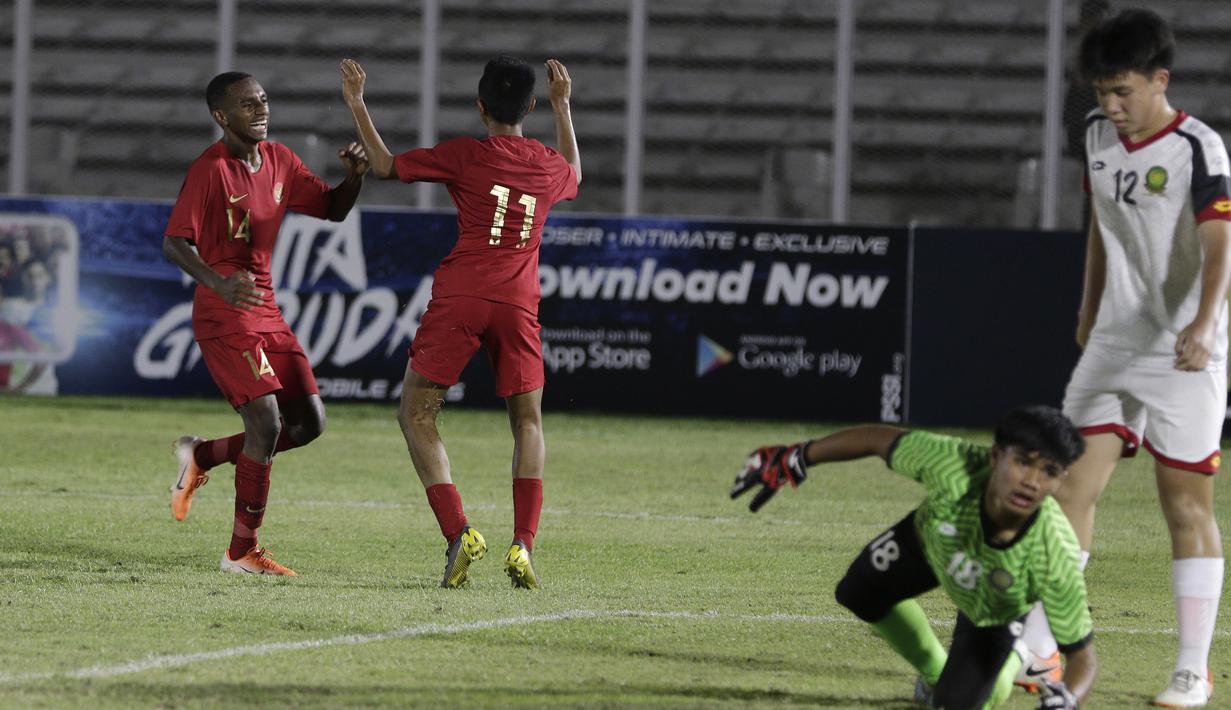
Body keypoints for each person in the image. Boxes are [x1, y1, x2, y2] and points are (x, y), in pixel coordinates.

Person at [1018, 9, 1230, 707]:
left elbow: (1218, 244)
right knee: (1065, 489)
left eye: (1123, 92)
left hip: (1182, 352)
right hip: (1113, 341)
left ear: (1159, 80)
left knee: (1184, 506)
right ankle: (1042, 648)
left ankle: (1192, 669)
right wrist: (1088, 306)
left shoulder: (1200, 149)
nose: (1111, 107)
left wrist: (1203, 323)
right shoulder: (1094, 136)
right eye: (1101, 92)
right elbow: (1102, 228)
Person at [340, 55, 580, 589]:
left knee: (416, 414)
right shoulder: (547, 163)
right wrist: (564, 109)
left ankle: (459, 533)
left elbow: (384, 166)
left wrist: (358, 104)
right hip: (518, 302)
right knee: (528, 423)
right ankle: (523, 544)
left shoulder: (465, 155)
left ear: (479, 106)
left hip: (463, 295)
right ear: (531, 107)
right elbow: (576, 174)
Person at [731, 406, 1098, 709]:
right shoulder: (953, 464)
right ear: (996, 455)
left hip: (990, 609)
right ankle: (935, 672)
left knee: (966, 704)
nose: (1033, 481)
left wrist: (1068, 699)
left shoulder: (1055, 553)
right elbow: (880, 440)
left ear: (1061, 479)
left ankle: (1018, 655)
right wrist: (798, 455)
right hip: (928, 544)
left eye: (1049, 471)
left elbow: (1083, 657)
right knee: (857, 592)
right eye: (1023, 462)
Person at [163, 71, 368, 576]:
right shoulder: (209, 170)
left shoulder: (279, 160)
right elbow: (174, 243)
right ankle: (240, 552)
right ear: (220, 117)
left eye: (263, 101)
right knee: (266, 422)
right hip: (224, 313)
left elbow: (332, 209)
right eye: (247, 104)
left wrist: (355, 177)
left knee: (310, 423)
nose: (260, 110)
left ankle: (202, 455)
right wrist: (217, 282)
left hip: (267, 311)